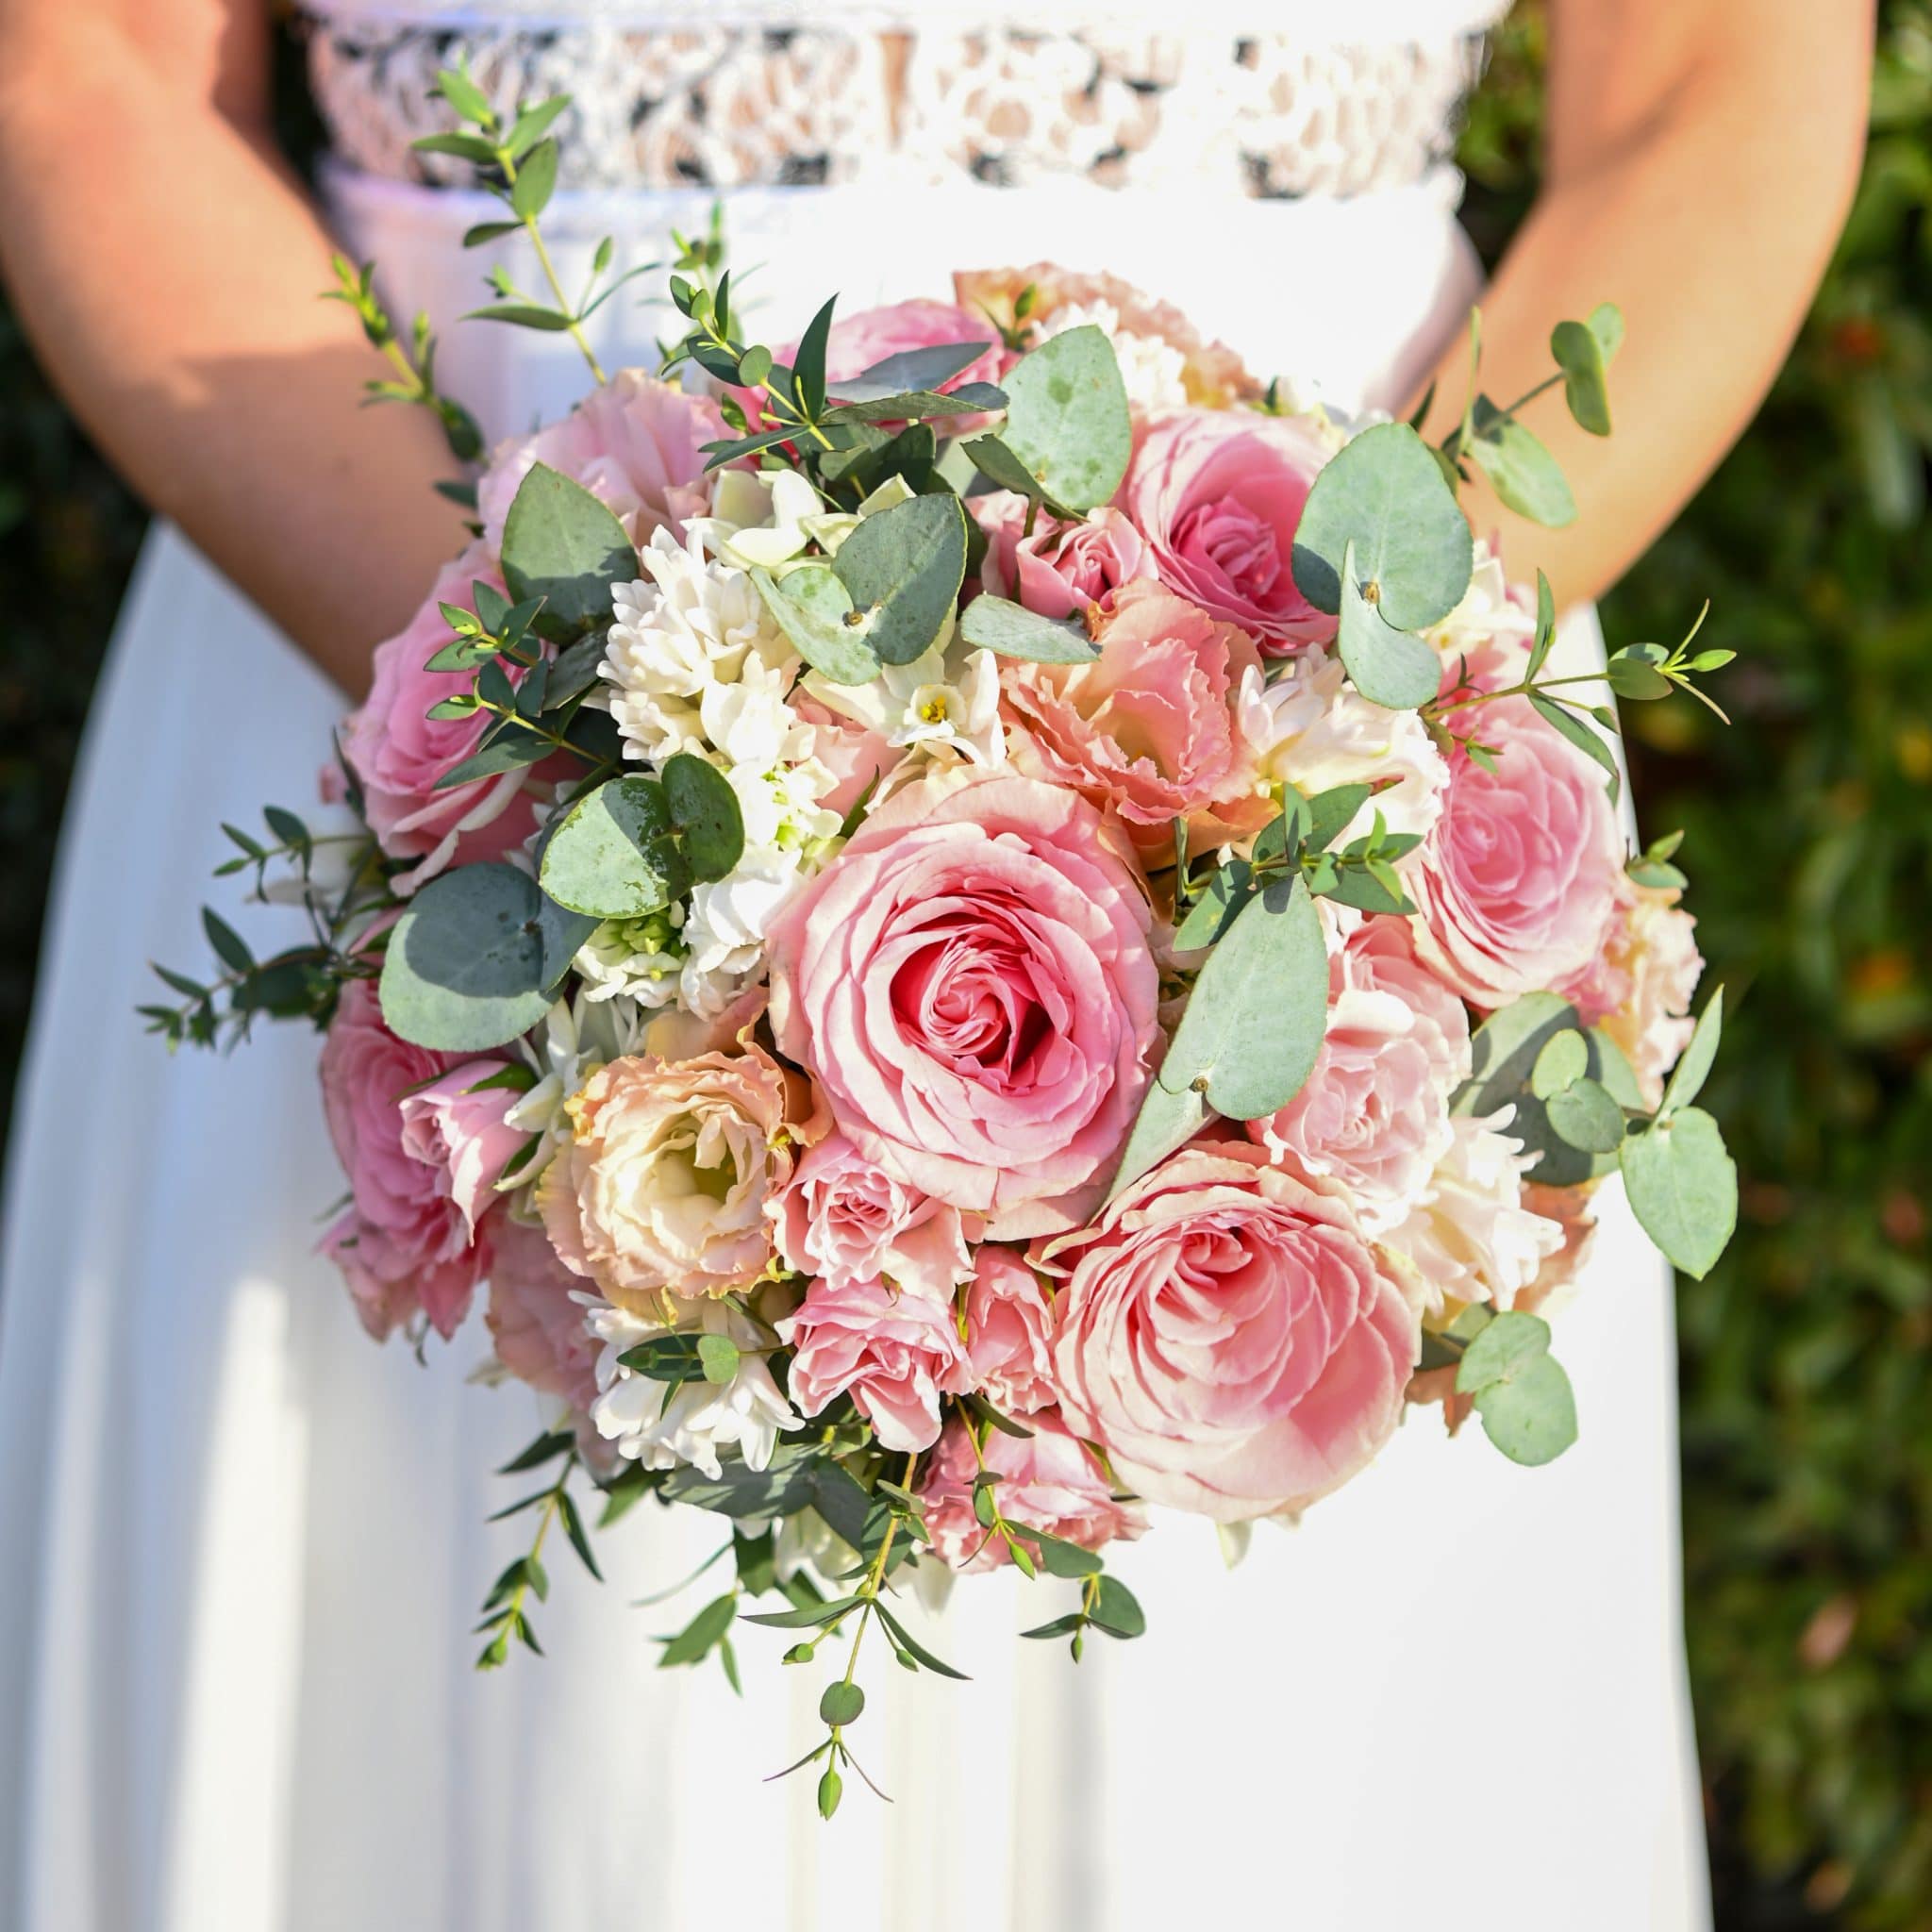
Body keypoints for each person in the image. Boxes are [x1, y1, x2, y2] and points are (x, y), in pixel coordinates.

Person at [0, 2, 1873, 1927]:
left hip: (1324, 705)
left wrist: (1304, 752)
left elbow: (1712, 83)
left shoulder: (1330, 747)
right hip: (409, 622)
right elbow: (94, 69)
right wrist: (592, 747)